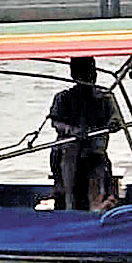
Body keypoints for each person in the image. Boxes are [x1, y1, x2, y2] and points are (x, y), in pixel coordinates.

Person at [48, 57, 121, 210]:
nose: (91, 76)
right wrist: (72, 131)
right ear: (74, 74)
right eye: (84, 72)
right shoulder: (64, 97)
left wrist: (113, 124)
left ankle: (100, 204)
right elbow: (55, 122)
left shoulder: (105, 97)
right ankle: (68, 203)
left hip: (95, 151)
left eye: (91, 71)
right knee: (69, 155)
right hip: (69, 151)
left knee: (98, 172)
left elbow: (116, 118)